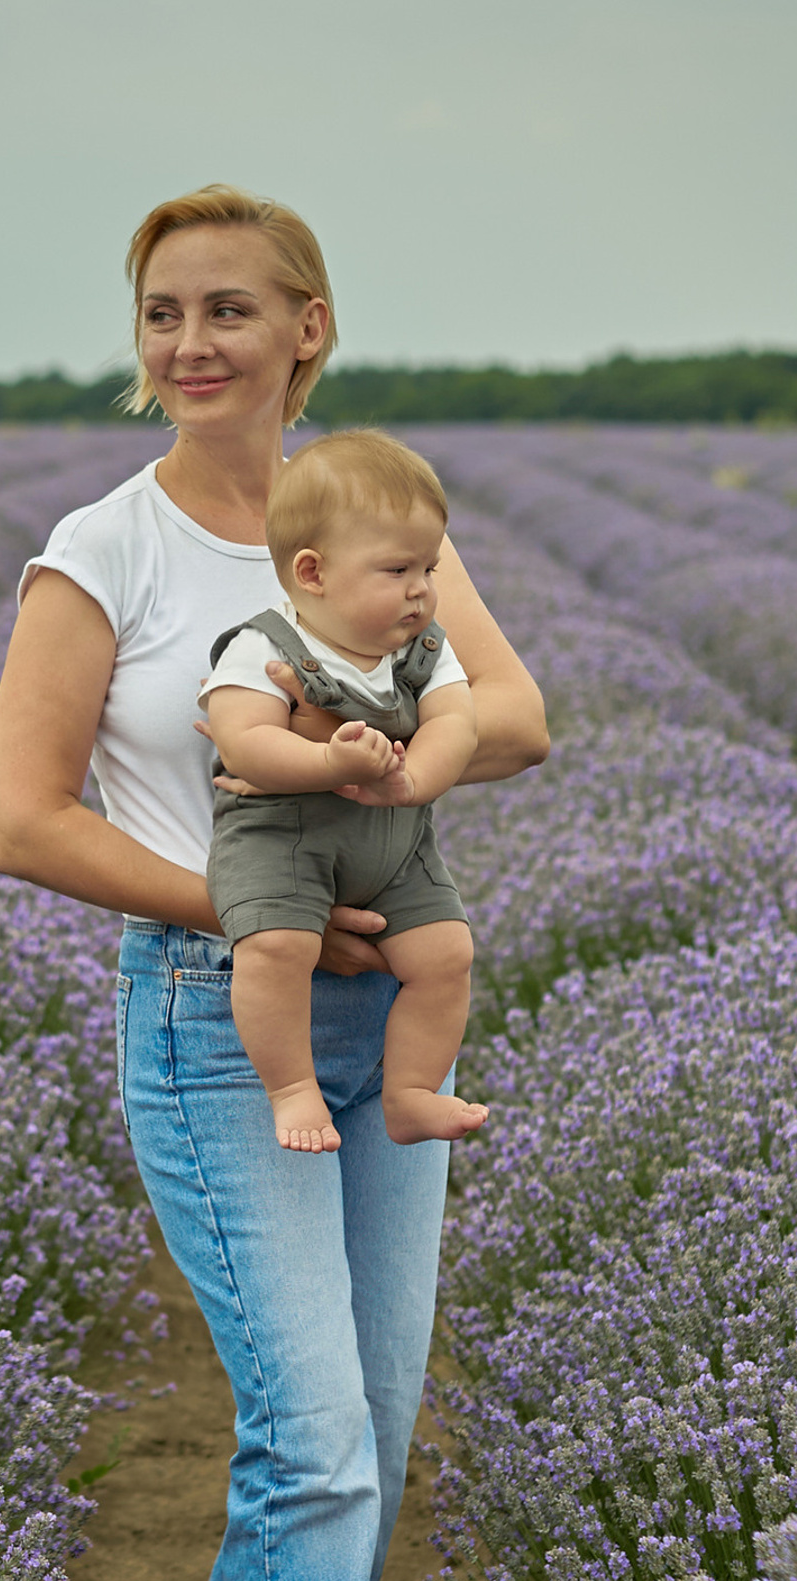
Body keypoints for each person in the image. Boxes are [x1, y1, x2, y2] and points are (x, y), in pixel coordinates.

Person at [0, 184, 547, 1581]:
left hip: (392, 1014)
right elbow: (20, 819)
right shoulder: (110, 549)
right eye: (163, 313)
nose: (190, 343)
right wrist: (245, 905)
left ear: (310, 327)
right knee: (321, 1451)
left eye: (229, 308)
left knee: (353, 1435)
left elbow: (515, 712)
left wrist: (397, 773)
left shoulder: (376, 523)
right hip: (217, 1016)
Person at [201, 429, 489, 1154]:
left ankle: (412, 1091)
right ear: (313, 572)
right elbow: (242, 741)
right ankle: (292, 1087)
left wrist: (414, 778)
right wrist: (330, 760)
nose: (422, 588)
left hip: (394, 842)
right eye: (398, 569)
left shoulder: (423, 650)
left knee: (447, 952)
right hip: (283, 841)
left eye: (429, 566)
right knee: (274, 949)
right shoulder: (263, 646)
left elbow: (459, 720)